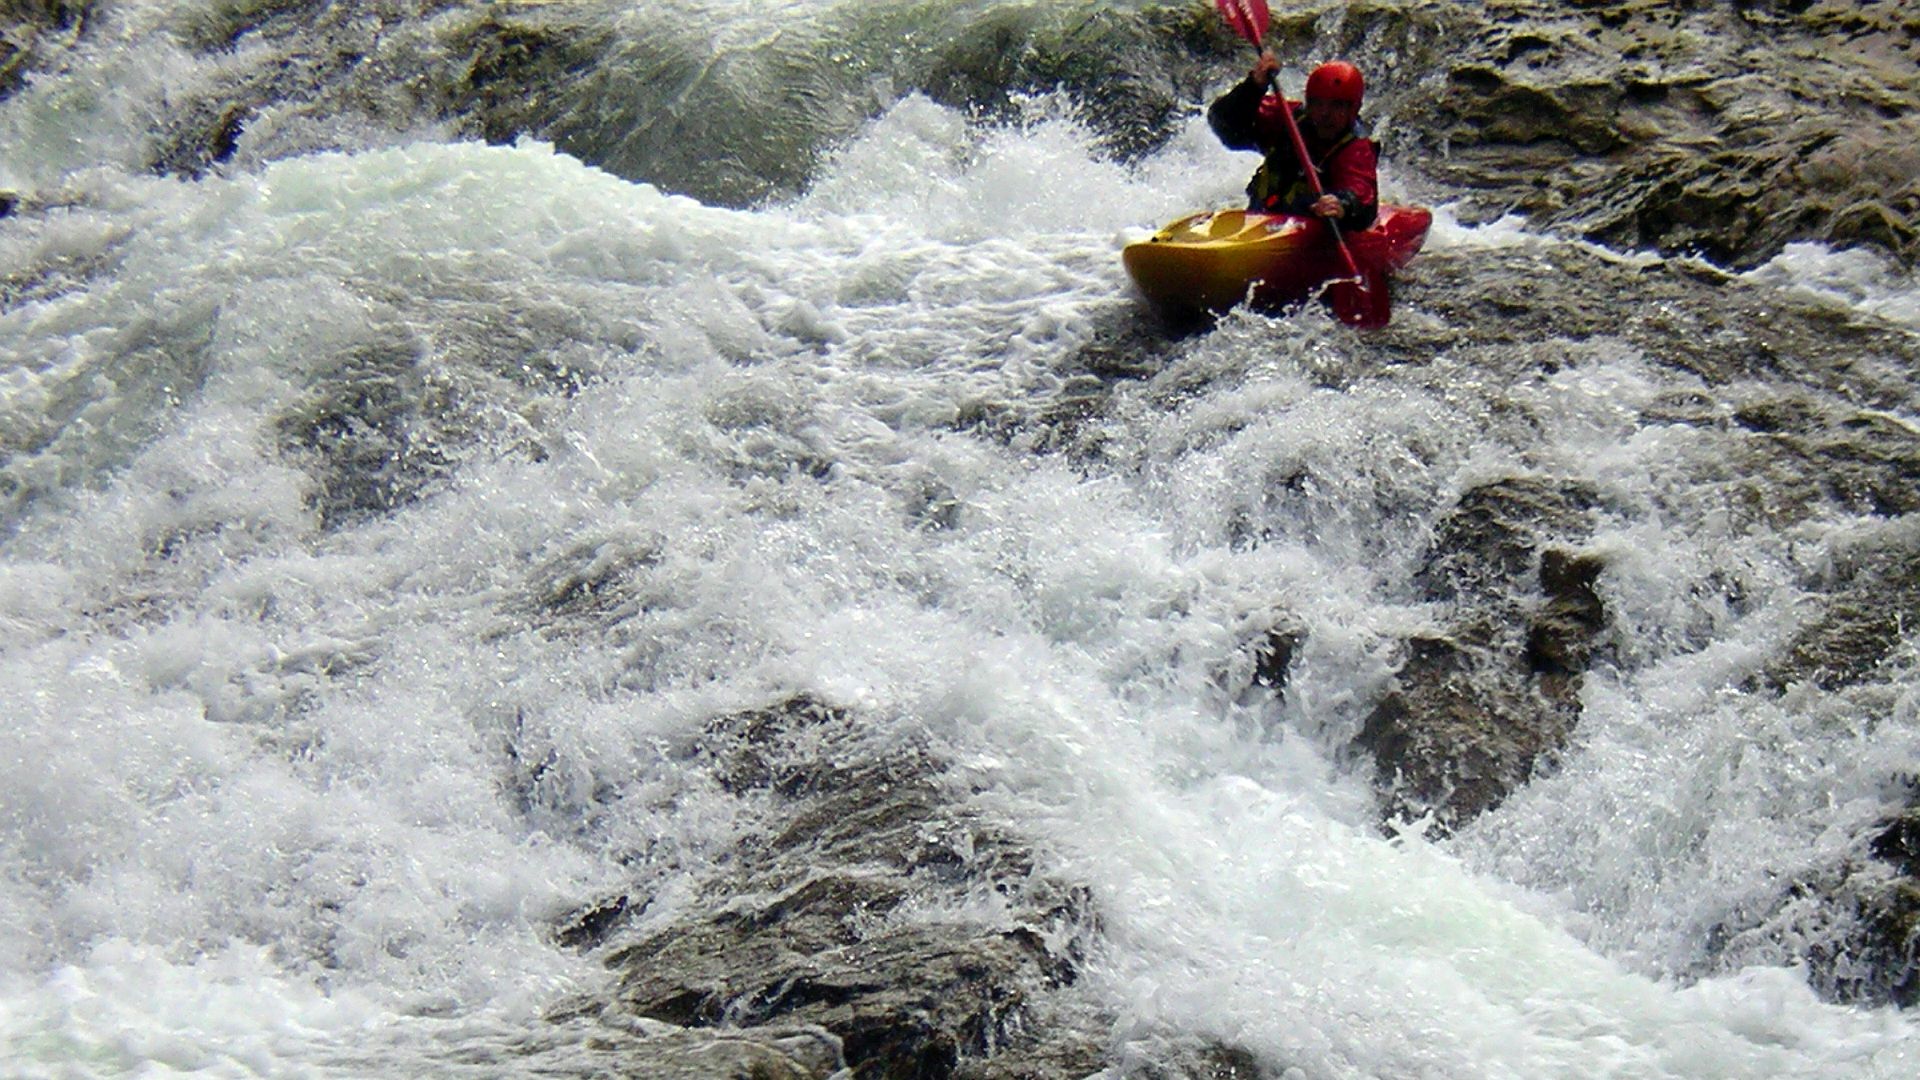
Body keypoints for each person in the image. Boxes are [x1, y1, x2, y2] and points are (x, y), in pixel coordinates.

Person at [1208, 55, 1378, 231]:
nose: (1324, 114)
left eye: (1337, 105)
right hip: (1262, 223)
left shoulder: (1356, 148)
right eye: (1317, 103)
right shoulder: (1287, 118)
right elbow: (1226, 125)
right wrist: (1254, 86)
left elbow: (1362, 193)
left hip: (1311, 235)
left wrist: (1343, 204)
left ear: (1354, 108)